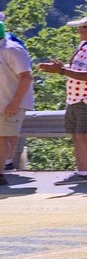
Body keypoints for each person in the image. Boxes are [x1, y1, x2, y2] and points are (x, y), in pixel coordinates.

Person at [37, 16, 87, 186]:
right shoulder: (83, 45)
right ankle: (82, 173)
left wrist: (61, 71)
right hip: (75, 97)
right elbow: (75, 67)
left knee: (86, 135)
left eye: (81, 29)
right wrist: (60, 69)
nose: (78, 32)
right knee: (76, 136)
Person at [0, 17, 34, 184]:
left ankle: (2, 172)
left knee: (2, 137)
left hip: (9, 101)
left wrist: (15, 102)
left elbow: (26, 76)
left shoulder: (12, 48)